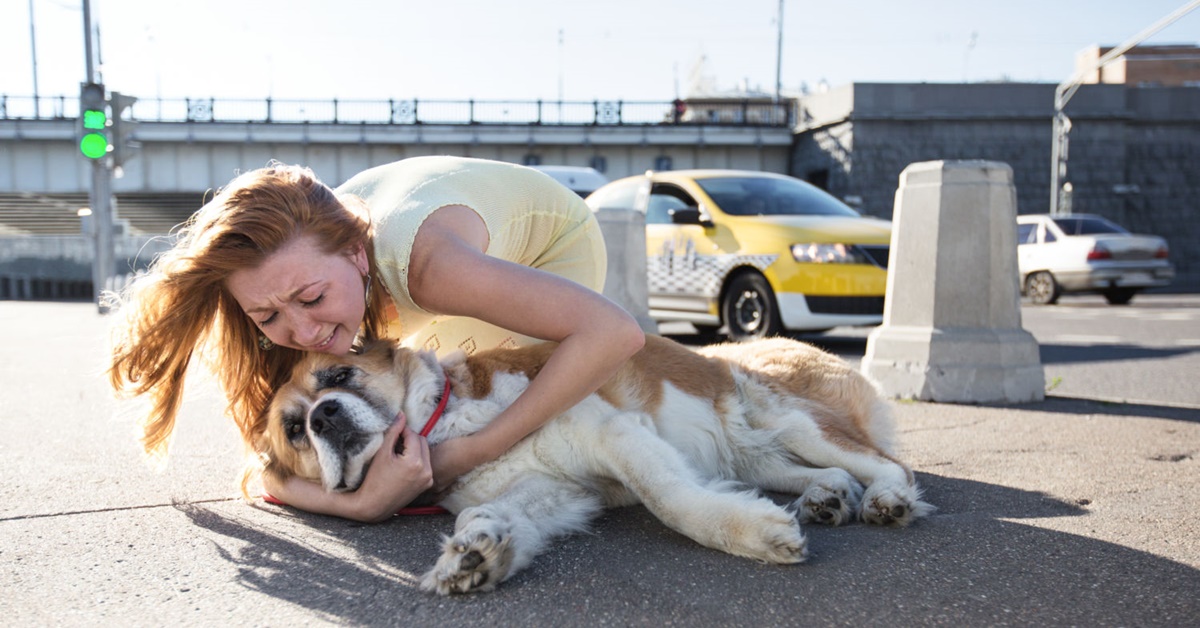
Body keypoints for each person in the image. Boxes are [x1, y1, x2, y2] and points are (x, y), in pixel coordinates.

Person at [108, 155, 646, 523]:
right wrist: (360, 505)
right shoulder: (288, 271)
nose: (302, 332)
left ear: (356, 256)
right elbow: (265, 461)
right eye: (268, 317)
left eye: (312, 299)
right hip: (396, 258)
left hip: (548, 246)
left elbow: (614, 333)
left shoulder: (431, 270)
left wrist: (469, 452)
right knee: (394, 422)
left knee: (458, 429)